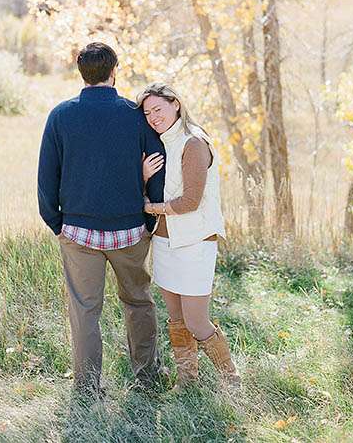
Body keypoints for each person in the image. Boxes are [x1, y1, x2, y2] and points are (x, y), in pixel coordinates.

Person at [37, 42, 167, 396]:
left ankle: (87, 388)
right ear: (114, 72)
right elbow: (157, 165)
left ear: (82, 73)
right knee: (138, 301)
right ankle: (146, 377)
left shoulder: (61, 116)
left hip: (78, 233)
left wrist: (56, 223)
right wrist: (150, 217)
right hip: (129, 230)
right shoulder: (134, 115)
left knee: (85, 311)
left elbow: (47, 178)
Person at [137, 82, 241, 389]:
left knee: (196, 321)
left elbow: (190, 202)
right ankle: (188, 382)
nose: (153, 117)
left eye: (158, 108)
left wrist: (150, 207)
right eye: (147, 112)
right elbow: (159, 190)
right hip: (165, 241)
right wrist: (142, 177)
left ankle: (231, 380)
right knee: (176, 319)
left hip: (195, 242)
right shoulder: (160, 145)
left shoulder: (193, 142)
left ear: (176, 104)